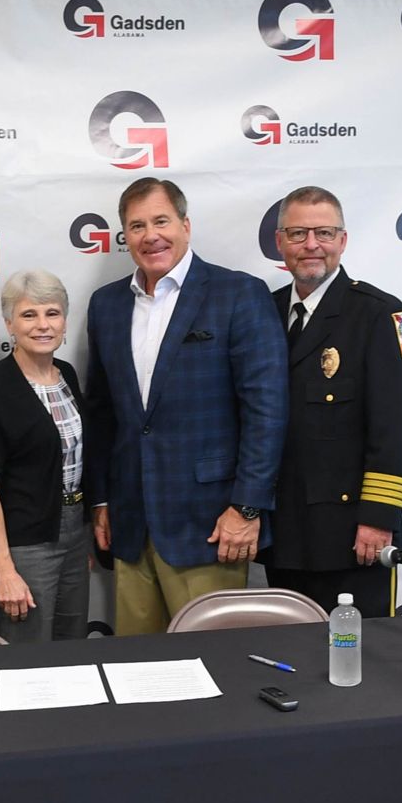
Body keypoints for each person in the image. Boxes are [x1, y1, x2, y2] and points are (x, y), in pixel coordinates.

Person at [83, 178, 287, 635]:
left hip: (211, 525)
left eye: (161, 221)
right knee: (139, 665)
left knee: (211, 661)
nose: (150, 236)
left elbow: (267, 411)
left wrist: (247, 508)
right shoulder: (106, 305)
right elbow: (101, 411)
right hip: (131, 523)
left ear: (186, 225)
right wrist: (101, 499)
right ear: (125, 235)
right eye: (137, 226)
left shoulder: (238, 294)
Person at [263, 185, 402, 618]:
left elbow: (398, 427)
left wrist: (378, 517)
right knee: (289, 650)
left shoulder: (380, 315)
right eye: (298, 233)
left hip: (354, 534)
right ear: (279, 242)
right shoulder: (265, 312)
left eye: (324, 233)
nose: (311, 245)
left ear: (343, 240)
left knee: (361, 651)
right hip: (285, 532)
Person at [0, 270, 90, 643]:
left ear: (64, 321)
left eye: (52, 313)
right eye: (28, 315)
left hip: (74, 531)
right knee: (27, 653)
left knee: (72, 645)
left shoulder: (67, 376)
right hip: (24, 544)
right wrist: (5, 570)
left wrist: (78, 533)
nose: (42, 325)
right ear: (9, 324)